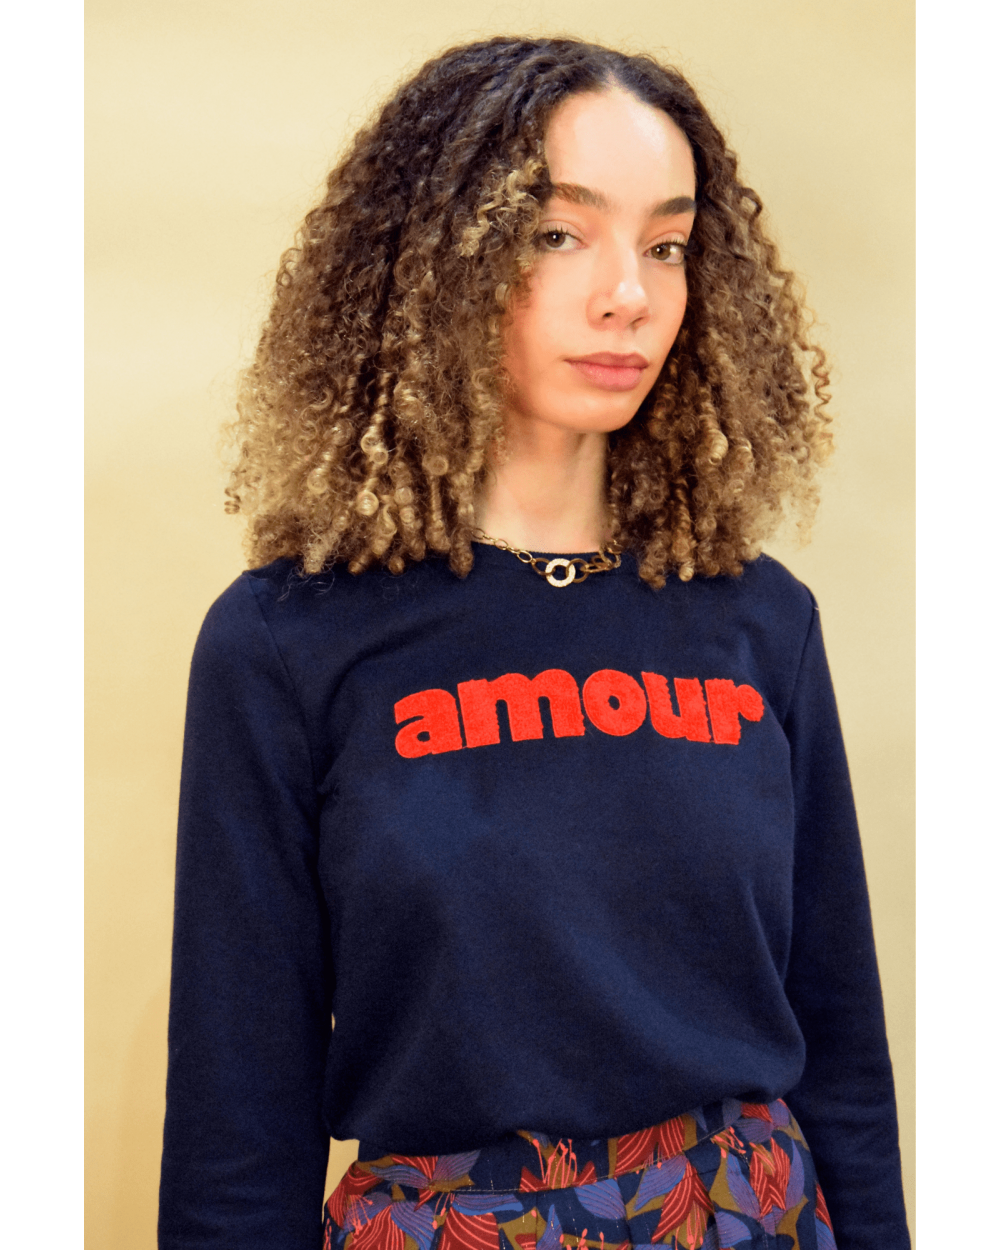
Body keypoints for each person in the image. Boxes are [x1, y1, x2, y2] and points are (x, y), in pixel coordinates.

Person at [158, 36, 910, 1250]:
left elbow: (841, 1050)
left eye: (666, 244)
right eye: (558, 232)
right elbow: (237, 1113)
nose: (628, 293)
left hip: (747, 1217)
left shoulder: (761, 621)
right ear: (431, 264)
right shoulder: (289, 640)